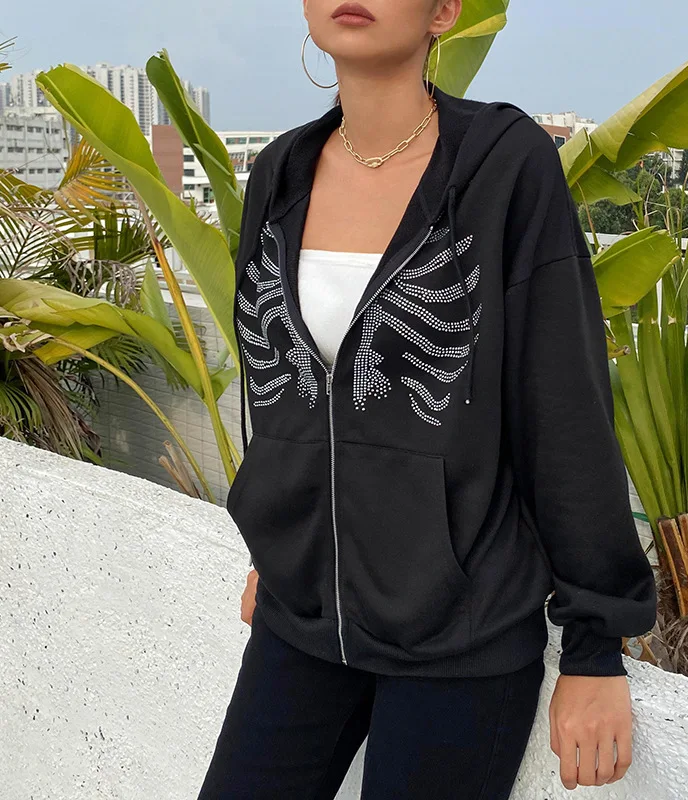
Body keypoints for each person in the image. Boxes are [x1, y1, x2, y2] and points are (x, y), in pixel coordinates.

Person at [198, 1, 657, 797]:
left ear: (443, 11)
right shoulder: (279, 173)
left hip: (461, 638)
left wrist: (595, 644)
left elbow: (562, 408)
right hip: (301, 620)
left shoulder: (502, 165)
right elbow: (279, 388)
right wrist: (285, 546)